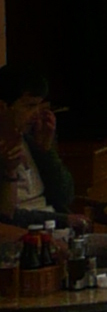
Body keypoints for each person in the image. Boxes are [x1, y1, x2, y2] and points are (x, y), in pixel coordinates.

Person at [0, 66, 74, 221]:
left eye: (40, 106)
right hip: (26, 235)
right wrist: (63, 220)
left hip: (55, 227)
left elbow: (65, 197)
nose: (37, 114)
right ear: (3, 107)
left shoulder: (29, 140)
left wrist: (46, 151)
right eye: (30, 106)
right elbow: (7, 216)